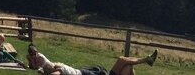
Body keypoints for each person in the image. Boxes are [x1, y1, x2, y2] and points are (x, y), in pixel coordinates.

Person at [27, 44, 157, 75]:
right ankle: (147, 59)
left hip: (86, 72)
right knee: (122, 60)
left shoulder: (57, 68)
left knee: (128, 66)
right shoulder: (60, 71)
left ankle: (147, 59)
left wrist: (42, 71)